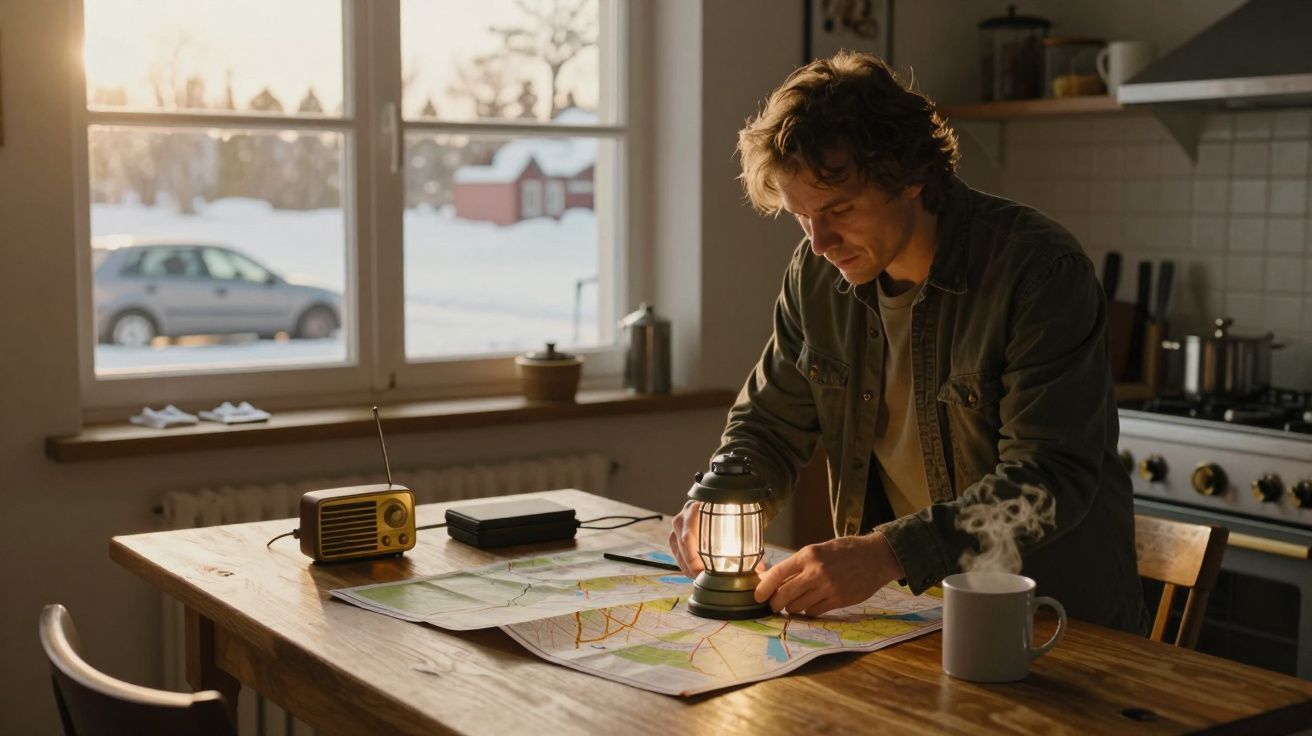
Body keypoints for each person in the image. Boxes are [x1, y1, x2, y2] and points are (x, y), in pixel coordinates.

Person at [668, 51, 1148, 634]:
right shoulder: (816, 275)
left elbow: (1048, 478)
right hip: (908, 618)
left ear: (913, 176)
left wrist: (886, 553)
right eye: (801, 216)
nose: (819, 242)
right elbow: (770, 423)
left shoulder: (1038, 271)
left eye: (840, 209)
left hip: (1051, 623)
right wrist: (724, 492)